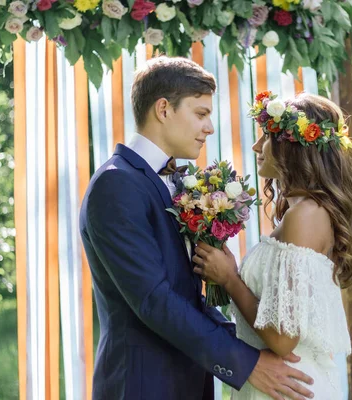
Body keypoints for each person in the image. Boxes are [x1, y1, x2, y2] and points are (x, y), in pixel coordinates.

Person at [79, 57, 314, 400]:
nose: (210, 127)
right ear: (163, 109)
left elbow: (184, 293)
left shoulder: (169, 180)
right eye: (201, 114)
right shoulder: (117, 184)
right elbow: (154, 300)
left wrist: (248, 341)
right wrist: (247, 363)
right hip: (143, 384)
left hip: (185, 378)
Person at [193, 91, 352, 399]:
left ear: (294, 146)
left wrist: (230, 279)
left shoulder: (305, 216)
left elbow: (283, 338)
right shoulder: (302, 212)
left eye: (266, 137)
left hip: (289, 387)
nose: (255, 146)